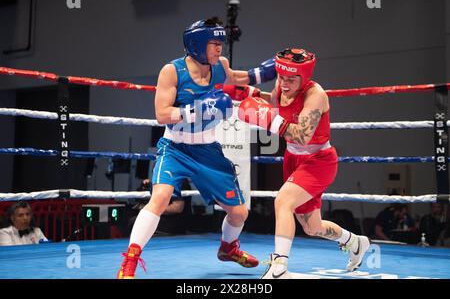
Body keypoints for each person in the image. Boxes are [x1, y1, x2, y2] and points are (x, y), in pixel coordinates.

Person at [117, 17, 277, 279]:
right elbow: (161, 113)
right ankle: (130, 262)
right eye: (214, 44)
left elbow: (238, 78)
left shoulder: (219, 65)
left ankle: (228, 249)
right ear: (198, 44)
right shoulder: (172, 71)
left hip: (207, 151)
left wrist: (267, 73)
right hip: (176, 149)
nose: (219, 49)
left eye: (220, 44)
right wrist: (198, 110)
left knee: (239, 213)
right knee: (159, 199)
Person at [236, 48, 371, 279]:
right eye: (282, 77)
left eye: (291, 79)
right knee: (312, 227)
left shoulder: (315, 95)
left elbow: (301, 135)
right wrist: (251, 94)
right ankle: (355, 242)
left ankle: (279, 267)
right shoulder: (281, 87)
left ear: (304, 77)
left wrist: (266, 119)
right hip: (293, 158)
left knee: (283, 202)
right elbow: (277, 107)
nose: (285, 83)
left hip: (319, 161)